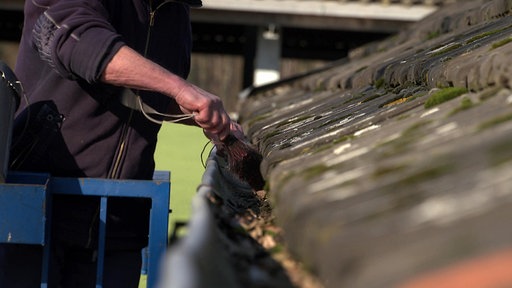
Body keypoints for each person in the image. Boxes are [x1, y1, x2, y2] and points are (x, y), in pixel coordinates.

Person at [0, 0, 241, 287]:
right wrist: (180, 88)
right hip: (35, 217)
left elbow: (143, 94)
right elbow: (77, 40)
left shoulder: (175, 9)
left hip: (120, 225)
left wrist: (203, 114)